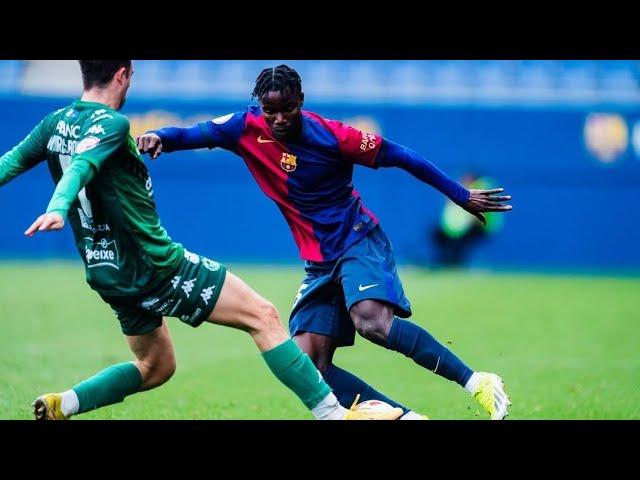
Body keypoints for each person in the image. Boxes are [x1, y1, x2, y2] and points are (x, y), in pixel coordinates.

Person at [0, 60, 397, 421]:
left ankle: (62, 404)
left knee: (155, 366)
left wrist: (60, 202)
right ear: (123, 74)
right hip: (156, 265)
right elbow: (83, 166)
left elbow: (12, 160)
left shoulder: (56, 123)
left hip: (106, 271)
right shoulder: (112, 124)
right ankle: (335, 415)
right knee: (263, 316)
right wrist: (58, 205)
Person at [137, 64, 513, 419]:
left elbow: (400, 155)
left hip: (357, 240)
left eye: (287, 109)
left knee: (372, 322)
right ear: (260, 106)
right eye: (271, 111)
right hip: (319, 262)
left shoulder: (334, 136)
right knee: (308, 366)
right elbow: (191, 133)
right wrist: (161, 137)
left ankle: (476, 381)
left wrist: (460, 195)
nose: (279, 118)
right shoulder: (243, 128)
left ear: (300, 101)